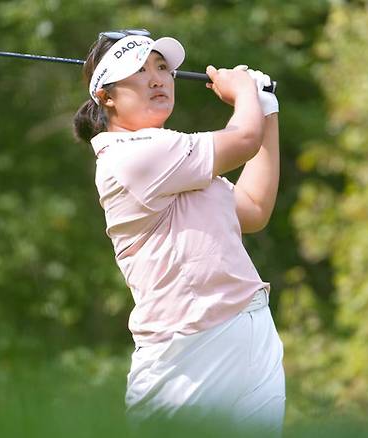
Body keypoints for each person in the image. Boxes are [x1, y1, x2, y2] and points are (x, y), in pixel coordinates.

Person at [72, 29, 284, 434]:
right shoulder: (129, 157)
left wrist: (266, 108)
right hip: (185, 354)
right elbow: (243, 138)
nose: (157, 78)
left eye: (162, 67)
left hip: (250, 330)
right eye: (138, 70)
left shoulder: (178, 157)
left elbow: (254, 209)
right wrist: (243, 95)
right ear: (107, 96)